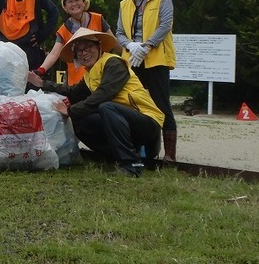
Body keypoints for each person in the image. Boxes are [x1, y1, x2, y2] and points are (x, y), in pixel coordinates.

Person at [27, 28, 162, 178]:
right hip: (120, 122)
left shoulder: (113, 63)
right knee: (79, 121)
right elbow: (73, 92)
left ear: (99, 46)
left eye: (88, 47)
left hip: (147, 121)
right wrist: (43, 83)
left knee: (105, 107)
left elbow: (103, 94)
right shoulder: (90, 74)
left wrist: (70, 110)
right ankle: (114, 156)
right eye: (79, 50)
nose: (84, 53)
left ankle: (131, 166)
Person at [114, 0, 178, 162]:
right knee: (134, 103)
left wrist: (147, 46)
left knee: (161, 104)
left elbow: (165, 25)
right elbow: (119, 32)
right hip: (132, 60)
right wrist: (130, 46)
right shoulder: (125, 3)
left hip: (156, 59)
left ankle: (170, 154)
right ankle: (139, 150)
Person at [36, 0, 111, 86]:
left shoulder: (98, 19)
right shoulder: (63, 30)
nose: (74, 4)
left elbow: (112, 42)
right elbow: (54, 53)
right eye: (70, 2)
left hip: (101, 76)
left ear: (84, 2)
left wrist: (125, 56)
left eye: (77, 0)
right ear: (65, 7)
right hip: (77, 82)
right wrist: (40, 70)